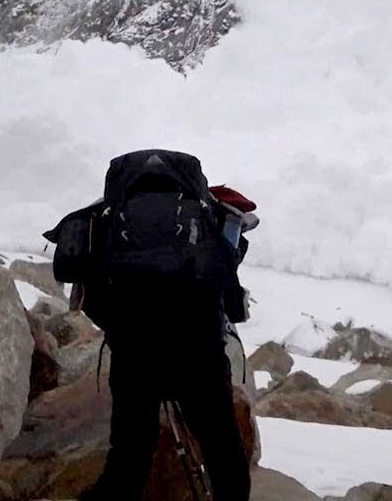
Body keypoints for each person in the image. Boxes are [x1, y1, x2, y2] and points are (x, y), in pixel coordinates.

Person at [49, 150, 254, 501]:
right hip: (198, 349)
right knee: (223, 450)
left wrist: (120, 328)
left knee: (129, 455)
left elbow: (88, 291)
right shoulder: (210, 218)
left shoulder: (107, 217)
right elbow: (226, 287)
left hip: (135, 349)